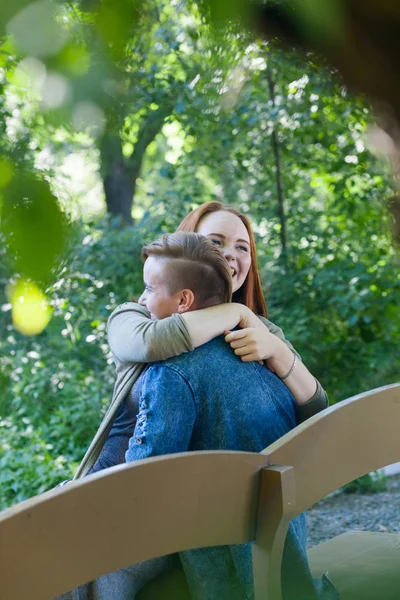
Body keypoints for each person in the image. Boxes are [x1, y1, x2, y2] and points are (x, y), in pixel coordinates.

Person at [60, 231, 336, 600]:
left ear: (184, 299)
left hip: (212, 554)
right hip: (273, 547)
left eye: (241, 246)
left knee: (58, 559)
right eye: (217, 243)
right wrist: (241, 315)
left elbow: (144, 481)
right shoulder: (253, 349)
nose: (141, 298)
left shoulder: (183, 367)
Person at [76, 202, 328, 479]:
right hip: (111, 481)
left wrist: (277, 351)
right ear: (188, 245)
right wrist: (236, 311)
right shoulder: (137, 313)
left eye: (242, 247)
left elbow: (314, 407)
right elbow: (152, 341)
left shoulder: (262, 329)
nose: (231, 254)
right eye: (216, 242)